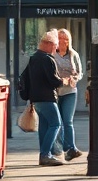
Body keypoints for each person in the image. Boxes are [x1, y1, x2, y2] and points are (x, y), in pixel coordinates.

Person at [29, 29, 66, 166]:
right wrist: (64, 81)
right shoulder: (47, 59)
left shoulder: (34, 58)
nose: (56, 47)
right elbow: (53, 80)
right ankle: (46, 154)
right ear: (49, 44)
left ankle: (44, 154)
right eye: (55, 45)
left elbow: (27, 78)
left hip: (37, 98)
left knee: (44, 125)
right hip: (47, 97)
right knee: (56, 123)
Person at [51, 28, 83, 160]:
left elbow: (80, 72)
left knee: (68, 121)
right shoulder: (52, 54)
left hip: (70, 91)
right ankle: (58, 149)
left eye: (66, 39)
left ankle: (71, 148)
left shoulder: (73, 54)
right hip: (56, 92)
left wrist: (74, 78)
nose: (63, 41)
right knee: (57, 122)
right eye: (60, 38)